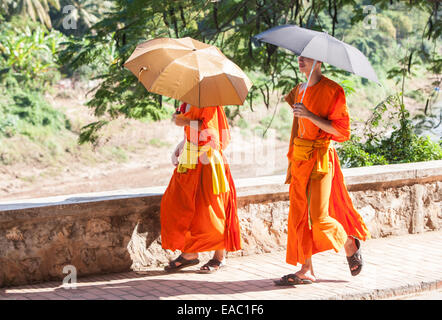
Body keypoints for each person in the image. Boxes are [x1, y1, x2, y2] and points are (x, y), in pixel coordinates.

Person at [274, 56, 371, 285]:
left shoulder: (332, 90)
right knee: (299, 215)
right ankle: (306, 269)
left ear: (318, 61)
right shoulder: (298, 90)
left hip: (320, 158)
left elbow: (341, 132)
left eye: (306, 56)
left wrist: (309, 114)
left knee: (318, 217)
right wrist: (292, 156)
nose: (299, 59)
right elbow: (297, 129)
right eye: (298, 55)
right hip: (300, 157)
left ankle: (349, 243)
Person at [160, 102, 242, 273]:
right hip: (191, 156)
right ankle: (190, 254)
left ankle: (219, 257)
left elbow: (211, 132)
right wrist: (181, 144)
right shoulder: (186, 101)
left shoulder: (208, 99)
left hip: (208, 159)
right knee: (180, 204)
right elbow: (191, 130)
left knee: (211, 208)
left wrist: (185, 122)